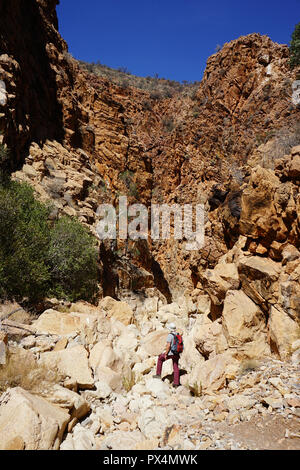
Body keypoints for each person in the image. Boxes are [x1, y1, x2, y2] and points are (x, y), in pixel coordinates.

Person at [153, 323, 181, 388]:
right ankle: (176, 383)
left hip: (171, 353)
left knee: (160, 359)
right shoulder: (178, 335)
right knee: (175, 366)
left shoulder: (170, 335)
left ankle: (158, 375)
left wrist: (166, 354)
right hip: (176, 353)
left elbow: (168, 346)